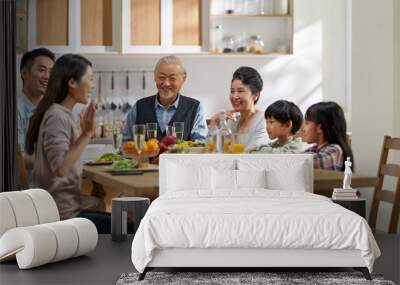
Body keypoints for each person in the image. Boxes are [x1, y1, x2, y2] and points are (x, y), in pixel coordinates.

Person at [25, 54, 110, 233]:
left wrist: (83, 133)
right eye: (90, 79)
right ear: (72, 82)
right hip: (62, 217)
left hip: (65, 210)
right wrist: (87, 134)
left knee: (122, 219)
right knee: (130, 227)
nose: (92, 85)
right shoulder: (57, 116)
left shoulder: (61, 113)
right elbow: (60, 168)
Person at [122, 55, 207, 142]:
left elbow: (200, 145)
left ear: (183, 78)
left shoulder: (195, 108)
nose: (166, 83)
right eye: (162, 77)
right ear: (155, 77)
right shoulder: (139, 107)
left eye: (172, 78)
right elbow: (125, 143)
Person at [18, 48, 55, 184]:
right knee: (97, 201)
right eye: (41, 70)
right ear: (24, 73)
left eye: (51, 72)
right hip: (30, 194)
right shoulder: (16, 110)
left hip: (49, 188)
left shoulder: (48, 109)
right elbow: (19, 158)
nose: (47, 76)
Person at [210, 66, 268, 150]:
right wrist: (213, 122)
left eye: (240, 91)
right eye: (232, 91)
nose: (234, 96)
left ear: (255, 95)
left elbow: (254, 154)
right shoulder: (232, 121)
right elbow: (216, 151)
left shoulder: (264, 120)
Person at [302, 101, 354, 171]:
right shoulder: (314, 149)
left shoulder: (335, 150)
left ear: (320, 128)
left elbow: (302, 161)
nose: (303, 128)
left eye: (307, 123)